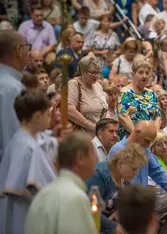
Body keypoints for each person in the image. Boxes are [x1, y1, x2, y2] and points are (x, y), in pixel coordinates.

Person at [0, 90, 57, 234]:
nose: (50, 120)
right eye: (48, 115)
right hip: (25, 213)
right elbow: (36, 189)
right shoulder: (28, 147)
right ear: (37, 116)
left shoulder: (19, 140)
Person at [25, 132, 98, 234]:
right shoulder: (76, 198)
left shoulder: (42, 194)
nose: (96, 159)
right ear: (80, 158)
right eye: (93, 153)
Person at [108, 120, 167, 203]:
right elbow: (112, 181)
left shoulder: (145, 149)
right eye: (147, 140)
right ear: (137, 132)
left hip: (141, 201)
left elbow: (157, 171)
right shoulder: (117, 150)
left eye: (150, 142)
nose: (148, 145)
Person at [87, 142, 148, 234]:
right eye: (133, 169)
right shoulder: (100, 175)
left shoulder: (124, 180)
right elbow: (88, 209)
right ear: (120, 164)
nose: (135, 174)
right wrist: (113, 226)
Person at [0, 30, 29, 162]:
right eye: (27, 47)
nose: (28, 52)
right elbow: (14, 137)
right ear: (18, 50)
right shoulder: (12, 88)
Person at [117, 59, 161, 139]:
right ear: (133, 74)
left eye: (147, 73)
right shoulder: (125, 92)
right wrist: (137, 136)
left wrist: (154, 136)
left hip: (149, 139)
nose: (144, 76)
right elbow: (123, 117)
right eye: (140, 72)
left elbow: (158, 117)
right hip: (131, 138)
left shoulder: (151, 93)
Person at [68, 55, 108, 137]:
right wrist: (92, 127)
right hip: (82, 137)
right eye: (93, 72)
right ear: (83, 72)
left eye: (98, 72)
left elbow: (104, 108)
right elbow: (69, 110)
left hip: (99, 136)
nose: (96, 76)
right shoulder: (74, 84)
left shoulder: (98, 85)